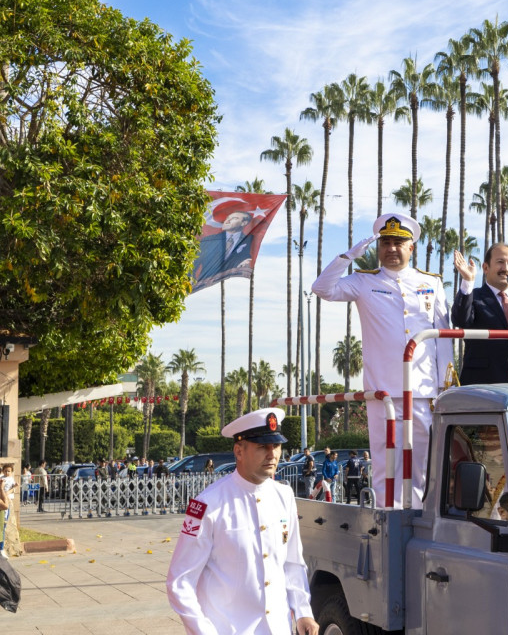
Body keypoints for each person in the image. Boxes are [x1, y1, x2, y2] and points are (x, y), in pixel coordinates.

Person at [312, 211, 453, 508]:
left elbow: (443, 337)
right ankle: (385, 519)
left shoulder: (432, 283)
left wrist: (444, 386)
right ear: (377, 248)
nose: (391, 249)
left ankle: (418, 519)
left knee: (422, 465)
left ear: (411, 248)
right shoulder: (363, 282)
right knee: (385, 464)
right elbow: (322, 288)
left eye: (398, 243)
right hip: (383, 392)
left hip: (423, 391)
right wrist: (348, 256)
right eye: (385, 242)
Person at [167, 407, 317, 635]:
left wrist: (303, 611)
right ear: (239, 451)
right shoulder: (208, 504)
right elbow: (180, 582)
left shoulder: (284, 496)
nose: (273, 454)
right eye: (262, 447)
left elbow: (292, 562)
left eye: (276, 446)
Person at [451, 243, 508, 383]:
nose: (506, 268)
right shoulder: (473, 296)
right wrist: (467, 281)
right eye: (500, 262)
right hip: (483, 383)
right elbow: (460, 320)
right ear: (486, 267)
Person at [191, 201, 257, 289]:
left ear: (243, 223)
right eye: (228, 218)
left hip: (235, 287)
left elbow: (247, 258)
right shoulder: (209, 240)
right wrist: (191, 280)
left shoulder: (250, 240)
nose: (227, 221)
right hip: (206, 285)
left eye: (234, 218)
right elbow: (195, 263)